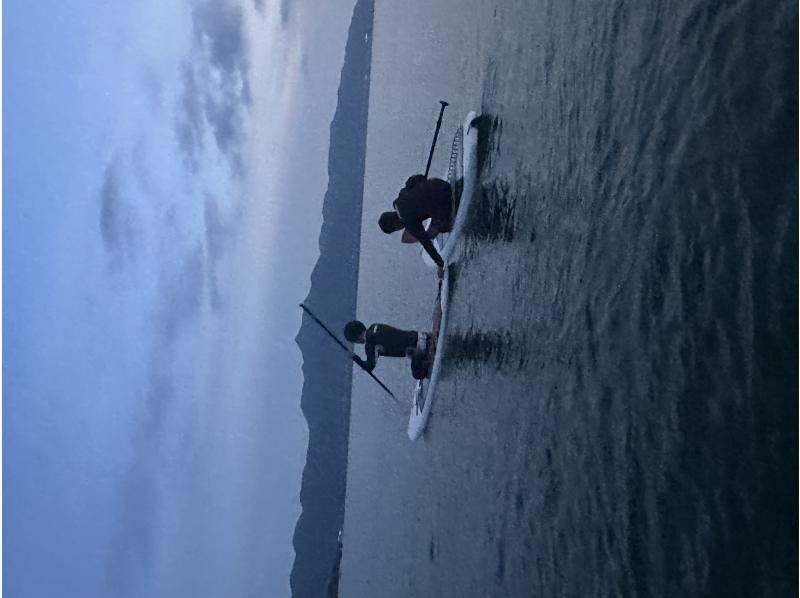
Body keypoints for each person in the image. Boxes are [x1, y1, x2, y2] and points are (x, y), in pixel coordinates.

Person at [378, 174, 454, 269]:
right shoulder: (402, 193)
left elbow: (427, 244)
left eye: (396, 230)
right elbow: (416, 178)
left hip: (445, 203)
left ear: (395, 226)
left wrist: (440, 264)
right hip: (443, 186)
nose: (400, 230)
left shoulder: (409, 223)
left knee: (442, 228)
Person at [344, 320, 429, 375]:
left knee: (417, 374)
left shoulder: (370, 344)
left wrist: (355, 358)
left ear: (357, 339)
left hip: (419, 347)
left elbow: (369, 367)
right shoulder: (374, 326)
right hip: (419, 335)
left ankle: (423, 357)